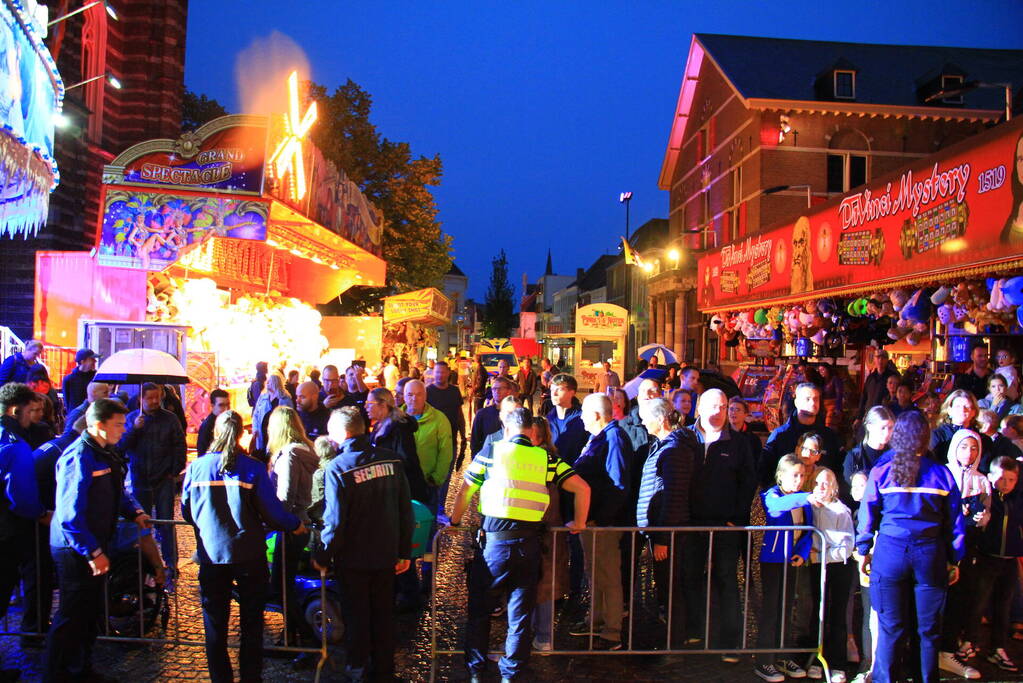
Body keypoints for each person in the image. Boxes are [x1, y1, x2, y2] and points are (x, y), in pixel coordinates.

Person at [447, 406, 591, 681]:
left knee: (480, 612)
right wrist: (579, 523)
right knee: (520, 616)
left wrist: (454, 523)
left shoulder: (491, 452)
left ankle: (476, 672)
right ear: (530, 430)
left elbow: (466, 490)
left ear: (508, 428)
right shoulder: (545, 458)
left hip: (494, 547)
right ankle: (510, 674)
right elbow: (583, 488)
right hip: (529, 546)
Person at [181, 410, 304, 683]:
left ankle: (220, 679)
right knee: (251, 622)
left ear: (215, 432)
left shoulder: (197, 468)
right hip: (249, 554)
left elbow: (187, 510)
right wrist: (294, 524)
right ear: (241, 435)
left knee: (215, 624)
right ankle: (251, 677)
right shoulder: (253, 467)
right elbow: (271, 511)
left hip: (212, 554)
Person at [855, 410, 967, 683]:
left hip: (891, 552)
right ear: (925, 437)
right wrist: (955, 559)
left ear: (898, 437)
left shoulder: (882, 471)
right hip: (930, 554)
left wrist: (863, 550)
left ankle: (885, 679)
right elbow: (955, 523)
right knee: (927, 630)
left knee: (891, 627)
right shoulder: (941, 474)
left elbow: (867, 515)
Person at [46, 398, 149, 683]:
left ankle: (81, 669)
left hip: (92, 544)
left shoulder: (105, 453)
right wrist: (92, 552)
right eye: (118, 424)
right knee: (71, 614)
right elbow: (70, 515)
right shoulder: (79, 456)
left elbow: (117, 492)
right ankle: (56, 674)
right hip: (75, 550)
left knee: (88, 613)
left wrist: (135, 512)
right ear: (98, 425)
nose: (123, 429)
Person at [313, 407, 413, 682]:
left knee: (357, 616)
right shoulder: (391, 461)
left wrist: (322, 554)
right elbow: (406, 509)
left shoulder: (338, 468)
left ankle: (358, 667)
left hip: (354, 558)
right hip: (385, 553)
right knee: (383, 614)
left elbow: (335, 521)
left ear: (343, 433)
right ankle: (384, 669)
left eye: (331, 429)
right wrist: (405, 551)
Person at [685, 389, 756, 656]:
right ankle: (694, 631)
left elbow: (747, 483)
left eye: (723, 407)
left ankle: (729, 640)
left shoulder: (739, 443)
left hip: (725, 525)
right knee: (690, 576)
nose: (718, 412)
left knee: (726, 579)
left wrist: (735, 518)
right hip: (691, 523)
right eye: (713, 406)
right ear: (699, 408)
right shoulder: (686, 438)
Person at [568, 393, 631, 649]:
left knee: (607, 576)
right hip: (593, 520)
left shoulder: (613, 437)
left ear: (596, 415)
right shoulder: (600, 437)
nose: (581, 416)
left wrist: (601, 519)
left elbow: (618, 483)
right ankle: (595, 620)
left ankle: (611, 630)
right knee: (595, 574)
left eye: (584, 412)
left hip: (603, 523)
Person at [755, 454, 818, 683]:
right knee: (771, 609)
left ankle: (783, 654)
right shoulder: (772, 495)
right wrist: (808, 497)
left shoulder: (803, 501)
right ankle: (764, 660)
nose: (799, 480)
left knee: (786, 607)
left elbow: (808, 530)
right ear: (781, 475)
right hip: (771, 560)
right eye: (794, 475)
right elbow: (776, 507)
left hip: (790, 560)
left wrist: (802, 553)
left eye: (802, 476)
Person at [637, 397, 694, 648]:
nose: (641, 421)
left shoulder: (674, 450)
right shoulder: (664, 445)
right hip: (660, 530)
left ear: (660, 419)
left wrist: (662, 538)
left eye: (645, 416)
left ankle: (674, 640)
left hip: (669, 534)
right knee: (665, 586)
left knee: (671, 588)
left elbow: (674, 496)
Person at [0, 383, 48, 675]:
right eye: (31, 411)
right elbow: (22, 495)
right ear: (16, 410)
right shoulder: (15, 445)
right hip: (6, 533)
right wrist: (41, 513)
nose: (35, 417)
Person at [938, 429, 990, 677]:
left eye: (973, 448)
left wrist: (983, 517)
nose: (968, 453)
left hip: (968, 545)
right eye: (963, 447)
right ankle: (928, 649)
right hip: (941, 543)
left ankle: (948, 651)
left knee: (960, 597)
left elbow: (987, 510)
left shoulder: (981, 480)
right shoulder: (942, 473)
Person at [119, 381, 186, 576]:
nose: (155, 401)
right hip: (141, 478)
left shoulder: (170, 419)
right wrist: (134, 429)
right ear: (141, 399)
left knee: (166, 523)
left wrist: (174, 471)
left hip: (163, 478)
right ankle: (146, 564)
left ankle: (171, 563)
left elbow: (179, 444)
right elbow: (121, 446)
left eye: (157, 397)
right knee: (142, 524)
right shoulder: (132, 419)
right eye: (150, 398)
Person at [265, 406, 319, 648]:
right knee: (284, 585)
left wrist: (270, 516)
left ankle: (305, 638)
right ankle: (291, 635)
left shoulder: (288, 456)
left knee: (280, 587)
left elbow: (285, 497)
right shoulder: (305, 450)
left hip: (291, 526)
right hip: (299, 523)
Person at [966, 456, 1023, 673]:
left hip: (1009, 560)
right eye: (1001, 479)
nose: (1006, 484)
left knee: (1004, 605)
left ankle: (998, 647)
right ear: (991, 477)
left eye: (1011, 479)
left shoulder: (1017, 500)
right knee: (979, 602)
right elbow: (973, 520)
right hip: (987, 557)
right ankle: (970, 641)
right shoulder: (986, 499)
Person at [808, 467, 856, 683]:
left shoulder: (841, 511)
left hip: (837, 567)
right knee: (817, 612)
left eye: (827, 483)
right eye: (818, 483)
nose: (822, 487)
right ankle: (815, 659)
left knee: (837, 614)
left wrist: (820, 554)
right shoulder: (810, 508)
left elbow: (846, 545)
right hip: (817, 566)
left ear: (835, 487)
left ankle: (837, 663)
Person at [404, 379, 452, 592]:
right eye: (409, 395)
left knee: (429, 531)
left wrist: (436, 478)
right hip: (403, 488)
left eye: (418, 394)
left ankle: (428, 570)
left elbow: (445, 452)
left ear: (425, 396)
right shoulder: (398, 418)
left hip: (427, 486)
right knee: (405, 530)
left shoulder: (439, 419)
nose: (414, 398)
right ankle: (408, 576)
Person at [528, 416, 569, 652]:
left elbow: (579, 487)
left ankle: (543, 637)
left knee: (543, 587)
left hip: (544, 533)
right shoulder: (549, 458)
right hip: (543, 532)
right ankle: (539, 634)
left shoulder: (548, 461)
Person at [759, 383, 842, 489]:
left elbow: (837, 469)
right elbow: (765, 471)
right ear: (796, 402)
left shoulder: (829, 436)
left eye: (815, 399)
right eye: (807, 399)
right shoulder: (780, 436)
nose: (812, 403)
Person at [931, 389, 992, 465]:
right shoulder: (937, 435)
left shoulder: (983, 439)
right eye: (957, 406)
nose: (962, 410)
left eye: (967, 406)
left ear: (974, 412)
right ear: (949, 410)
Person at [427, 360, 466, 468]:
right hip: (433, 440)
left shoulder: (454, 391)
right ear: (433, 373)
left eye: (443, 372)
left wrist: (463, 436)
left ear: (448, 373)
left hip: (451, 439)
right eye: (437, 372)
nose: (440, 375)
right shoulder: (427, 392)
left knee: (447, 471)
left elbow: (459, 414)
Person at [843, 406, 894, 485]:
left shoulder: (894, 456)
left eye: (890, 428)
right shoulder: (854, 457)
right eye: (883, 428)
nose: (887, 433)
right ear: (869, 427)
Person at [251, 373, 294, 457]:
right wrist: (255, 428)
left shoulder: (285, 399)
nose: (267, 383)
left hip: (277, 430)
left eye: (270, 381)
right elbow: (256, 414)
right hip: (262, 429)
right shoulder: (263, 397)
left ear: (275, 383)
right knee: (262, 452)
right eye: (267, 381)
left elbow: (290, 415)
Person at [470, 376, 513, 457]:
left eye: (500, 388)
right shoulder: (482, 414)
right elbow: (475, 442)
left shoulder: (516, 413)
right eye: (494, 389)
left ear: (508, 391)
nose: (497, 391)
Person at [858, 349, 898, 418]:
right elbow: (864, 397)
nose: (880, 360)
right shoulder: (870, 377)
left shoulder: (892, 377)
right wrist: (859, 417)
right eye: (878, 357)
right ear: (874, 359)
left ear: (887, 360)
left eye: (883, 358)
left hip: (884, 416)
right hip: (869, 414)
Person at [196, 389, 230, 457]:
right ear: (212, 406)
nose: (226, 409)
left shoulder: (229, 420)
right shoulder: (207, 426)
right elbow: (202, 453)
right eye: (221, 405)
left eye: (228, 405)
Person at [62, 349, 97, 413]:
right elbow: (67, 401)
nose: (95, 361)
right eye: (92, 359)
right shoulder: (69, 379)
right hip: (76, 415)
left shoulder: (96, 378)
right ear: (82, 361)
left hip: (94, 414)